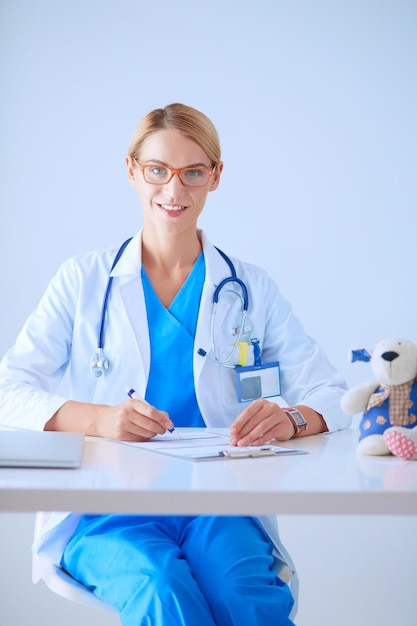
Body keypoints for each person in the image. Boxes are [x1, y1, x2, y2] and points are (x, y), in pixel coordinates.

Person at [0, 103, 350, 625]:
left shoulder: (249, 287)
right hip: (108, 508)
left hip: (220, 504)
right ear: (132, 171)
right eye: (157, 170)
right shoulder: (83, 280)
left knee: (244, 596)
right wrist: (100, 419)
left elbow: (332, 392)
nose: (174, 189)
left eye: (193, 172)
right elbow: (9, 389)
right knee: (161, 590)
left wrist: (294, 417)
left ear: (215, 177)